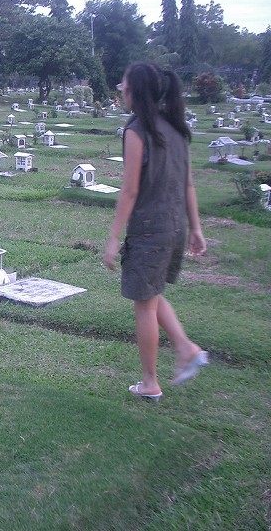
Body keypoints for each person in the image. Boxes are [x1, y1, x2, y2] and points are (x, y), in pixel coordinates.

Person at [102, 62, 208, 402]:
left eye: (124, 86)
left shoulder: (137, 130)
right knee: (151, 294)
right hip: (174, 227)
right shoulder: (176, 128)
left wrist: (113, 238)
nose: (121, 90)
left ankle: (150, 382)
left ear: (136, 91)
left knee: (144, 305)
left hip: (149, 230)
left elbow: (130, 189)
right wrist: (196, 229)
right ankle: (185, 347)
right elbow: (188, 184)